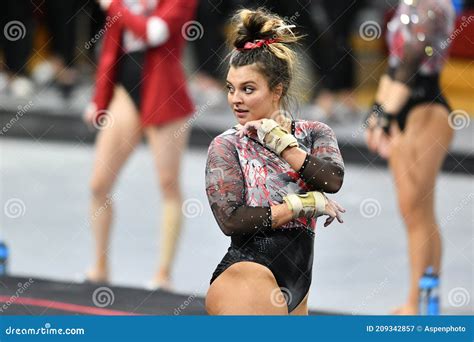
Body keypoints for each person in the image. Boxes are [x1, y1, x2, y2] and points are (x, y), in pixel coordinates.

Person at [205, 9, 345, 315]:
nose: (235, 99)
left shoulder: (314, 132)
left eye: (248, 89)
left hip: (298, 286)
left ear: (277, 90)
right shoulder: (226, 145)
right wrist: (300, 206)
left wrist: (282, 145)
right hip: (247, 278)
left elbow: (332, 180)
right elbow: (231, 219)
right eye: (231, 88)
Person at [82, 0, 197, 289]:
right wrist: (99, 99)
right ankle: (99, 266)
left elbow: (155, 32)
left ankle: (163, 274)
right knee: (99, 184)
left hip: (164, 93)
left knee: (168, 183)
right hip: (125, 90)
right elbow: (110, 48)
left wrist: (114, 6)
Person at [365, 0, 456, 314]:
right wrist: (378, 111)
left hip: (425, 110)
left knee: (418, 213)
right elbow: (395, 63)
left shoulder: (434, 6)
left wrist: (384, 114)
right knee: (415, 213)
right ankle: (425, 298)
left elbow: (413, 59)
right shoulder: (410, 2)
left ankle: (415, 303)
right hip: (403, 105)